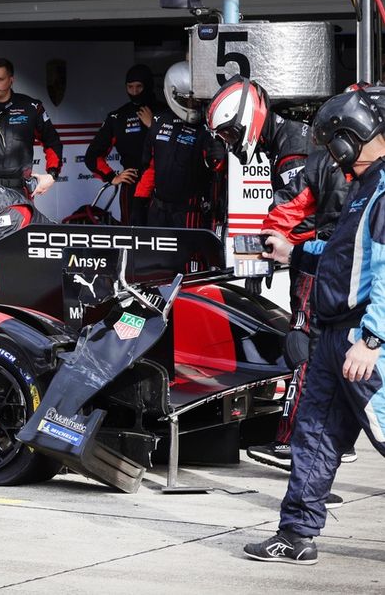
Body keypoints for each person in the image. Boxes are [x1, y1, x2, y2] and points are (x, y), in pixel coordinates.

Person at [244, 88, 385, 565]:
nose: (328, 154)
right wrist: (292, 253)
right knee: (314, 437)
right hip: (333, 336)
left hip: (364, 342)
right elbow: (343, 254)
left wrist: (371, 340)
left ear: (348, 138)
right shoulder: (364, 186)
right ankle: (295, 534)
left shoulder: (384, 188)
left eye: (331, 143)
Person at [244, 148, 352, 477]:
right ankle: (339, 443)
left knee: (303, 346)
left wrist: (255, 260)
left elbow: (285, 214)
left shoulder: (324, 160)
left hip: (329, 267)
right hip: (359, 273)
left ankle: (292, 441)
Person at [0, 57, 63, 197]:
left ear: (11, 80)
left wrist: (51, 175)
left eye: (0, 79)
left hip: (21, 190)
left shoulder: (31, 108)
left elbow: (52, 141)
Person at [133, 88, 226, 228]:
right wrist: (139, 203)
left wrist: (220, 158)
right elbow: (151, 169)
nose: (192, 103)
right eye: (187, 99)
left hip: (190, 213)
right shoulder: (158, 121)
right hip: (158, 211)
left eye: (195, 100)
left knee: (190, 250)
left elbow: (218, 169)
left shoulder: (208, 126)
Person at [84, 64, 162, 223]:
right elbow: (92, 156)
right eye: (130, 87)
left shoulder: (166, 112)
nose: (134, 92)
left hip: (163, 184)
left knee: (163, 234)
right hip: (133, 184)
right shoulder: (118, 117)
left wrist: (153, 126)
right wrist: (112, 176)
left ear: (148, 85)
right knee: (131, 235)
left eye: (139, 87)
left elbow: (180, 147)